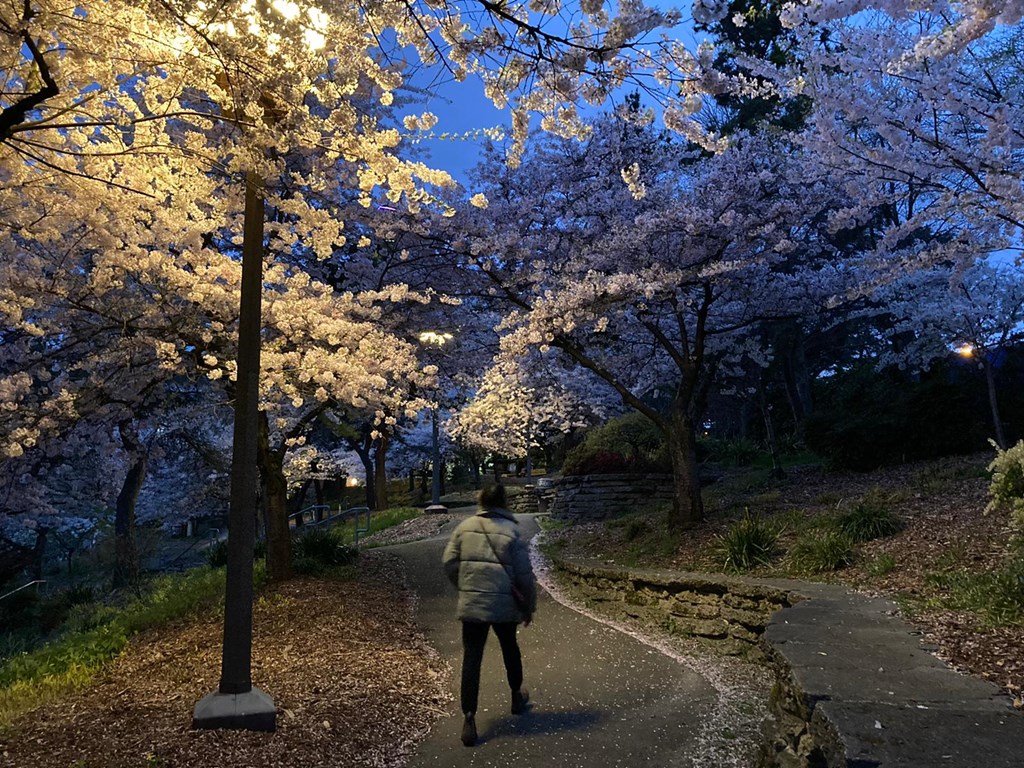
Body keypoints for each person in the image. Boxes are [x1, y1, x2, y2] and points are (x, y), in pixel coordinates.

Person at [441, 483, 537, 747]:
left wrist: (464, 585)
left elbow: (449, 561)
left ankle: (469, 719)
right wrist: (528, 606)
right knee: (509, 647)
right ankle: (516, 696)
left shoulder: (464, 527)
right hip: (504, 606)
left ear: (481, 500)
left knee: (472, 657)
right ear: (504, 502)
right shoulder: (511, 531)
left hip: (472, 605)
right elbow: (524, 575)